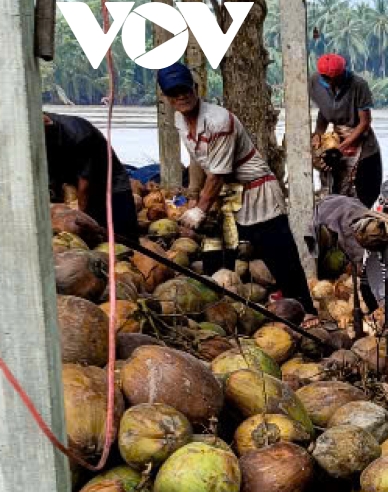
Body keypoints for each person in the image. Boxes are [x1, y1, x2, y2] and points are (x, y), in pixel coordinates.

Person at [158, 62, 315, 311]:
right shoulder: (180, 120)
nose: (181, 96)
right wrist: (192, 197)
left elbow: (219, 173)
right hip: (225, 196)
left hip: (257, 192)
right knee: (215, 256)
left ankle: (305, 310)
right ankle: (221, 312)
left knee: (280, 255)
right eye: (174, 93)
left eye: (185, 90)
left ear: (195, 88)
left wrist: (199, 211)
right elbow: (198, 161)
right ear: (165, 97)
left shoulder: (218, 121)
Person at [311, 186, 388, 314]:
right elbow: (364, 266)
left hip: (333, 208)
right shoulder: (361, 234)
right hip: (332, 218)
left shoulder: (379, 226)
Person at [42, 112, 137, 243]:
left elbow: (85, 186)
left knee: (124, 237)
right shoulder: (41, 131)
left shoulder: (80, 135)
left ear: (47, 125)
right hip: (73, 181)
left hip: (110, 183)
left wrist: (80, 215)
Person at [310, 53, 382, 206]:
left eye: (336, 79)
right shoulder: (315, 82)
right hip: (336, 137)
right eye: (328, 80)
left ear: (342, 74)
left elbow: (365, 122)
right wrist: (318, 134)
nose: (331, 84)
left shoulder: (358, 85)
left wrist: (343, 146)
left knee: (364, 189)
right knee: (333, 184)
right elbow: (323, 112)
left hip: (360, 139)